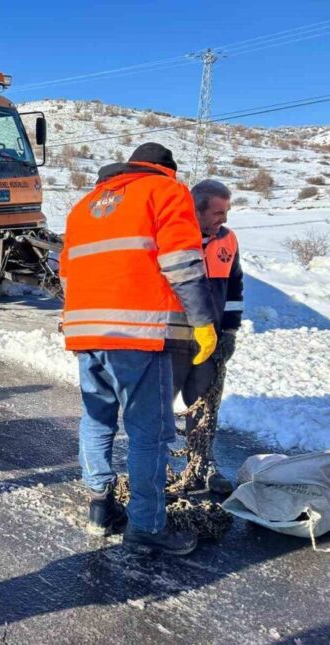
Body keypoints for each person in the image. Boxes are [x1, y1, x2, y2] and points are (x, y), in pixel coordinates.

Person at [59, 142, 217, 556]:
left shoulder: (83, 206)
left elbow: (67, 274)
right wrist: (203, 322)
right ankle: (147, 526)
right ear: (167, 169)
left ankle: (100, 507)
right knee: (149, 434)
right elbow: (182, 262)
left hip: (85, 332)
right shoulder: (165, 192)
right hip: (137, 334)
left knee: (97, 421)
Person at [171, 179, 242, 495]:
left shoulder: (228, 241)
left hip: (210, 342)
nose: (224, 219)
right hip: (170, 339)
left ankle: (203, 465)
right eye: (218, 212)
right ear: (195, 210)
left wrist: (229, 330)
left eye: (226, 211)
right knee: (156, 409)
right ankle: (152, 467)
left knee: (204, 408)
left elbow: (235, 288)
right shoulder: (172, 238)